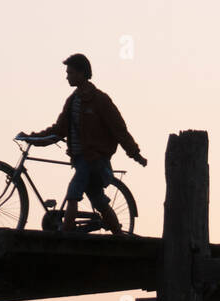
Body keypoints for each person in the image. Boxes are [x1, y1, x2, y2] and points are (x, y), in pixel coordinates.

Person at [18, 53, 147, 234]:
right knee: (98, 201)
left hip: (94, 159)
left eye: (70, 73)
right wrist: (32, 138)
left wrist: (135, 154)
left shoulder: (101, 100)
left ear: (81, 73)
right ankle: (119, 235)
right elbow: (58, 130)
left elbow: (119, 130)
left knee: (74, 193)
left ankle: (66, 235)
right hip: (81, 159)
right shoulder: (72, 101)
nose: (67, 76)